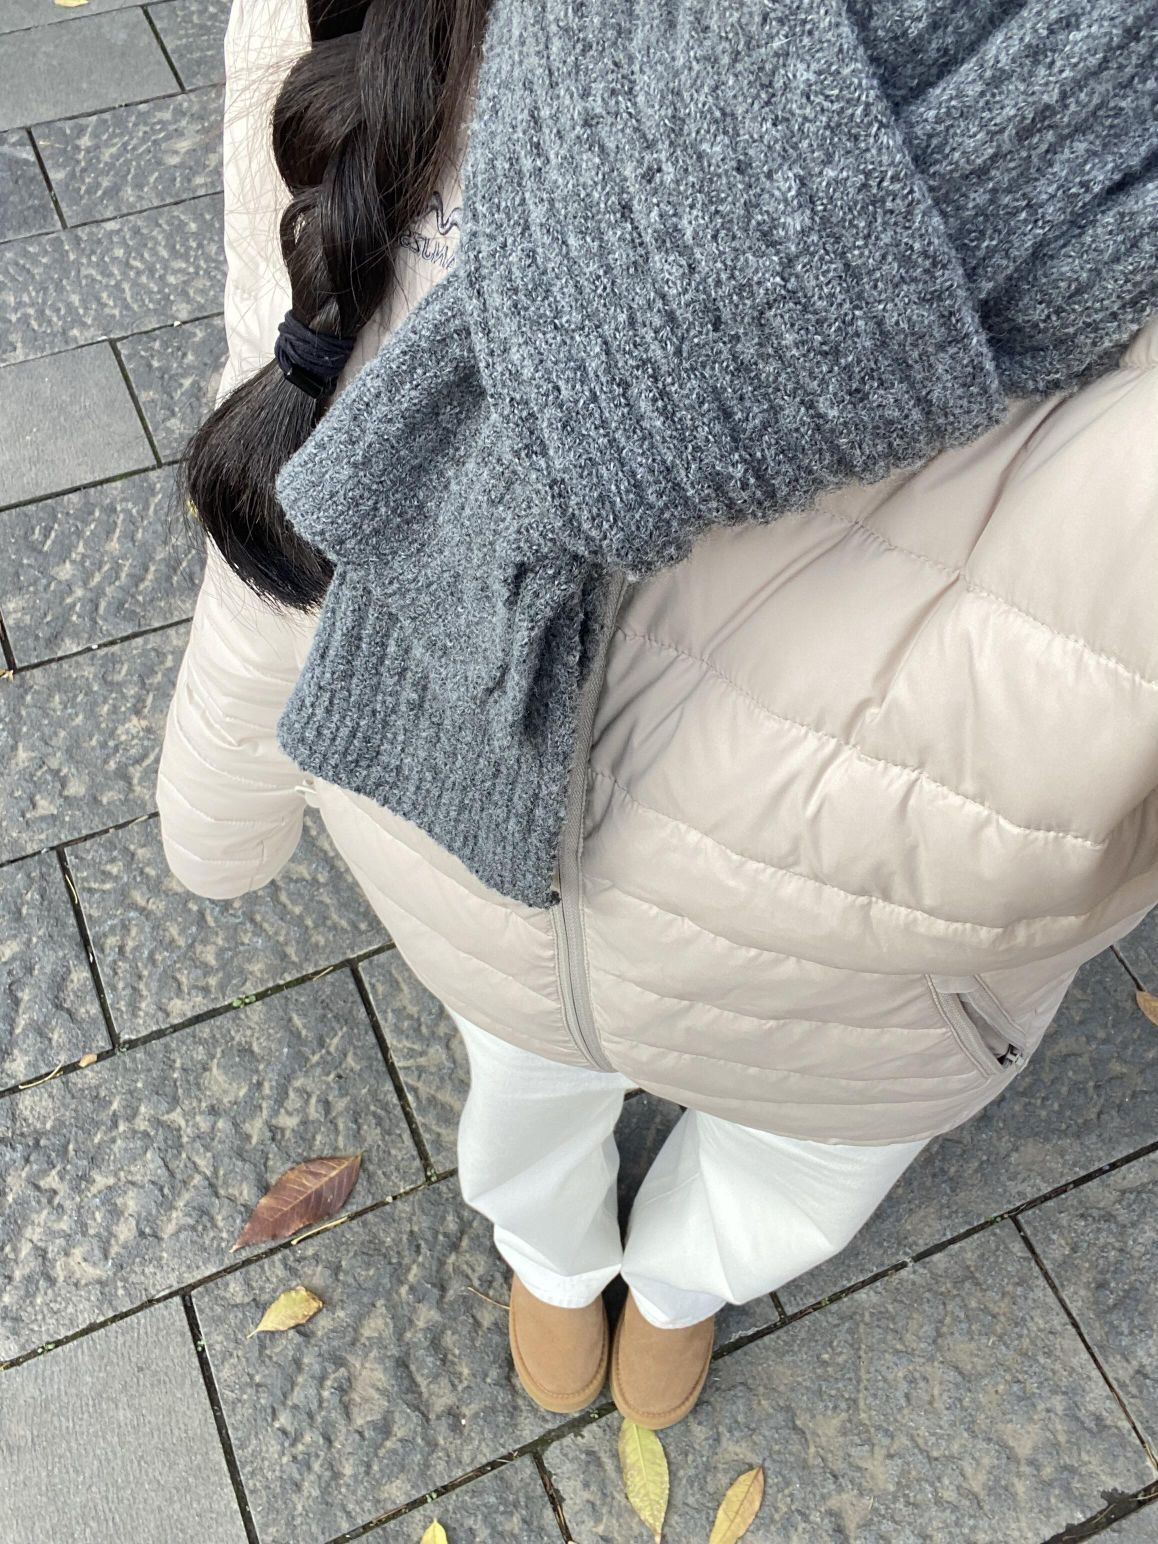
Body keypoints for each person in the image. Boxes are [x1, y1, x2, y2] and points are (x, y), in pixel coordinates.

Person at [159, 0, 1158, 1430]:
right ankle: (555, 1256)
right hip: (473, 864)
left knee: (787, 1184)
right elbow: (290, 400)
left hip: (876, 994)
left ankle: (686, 1279)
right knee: (520, 1107)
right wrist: (222, 780)